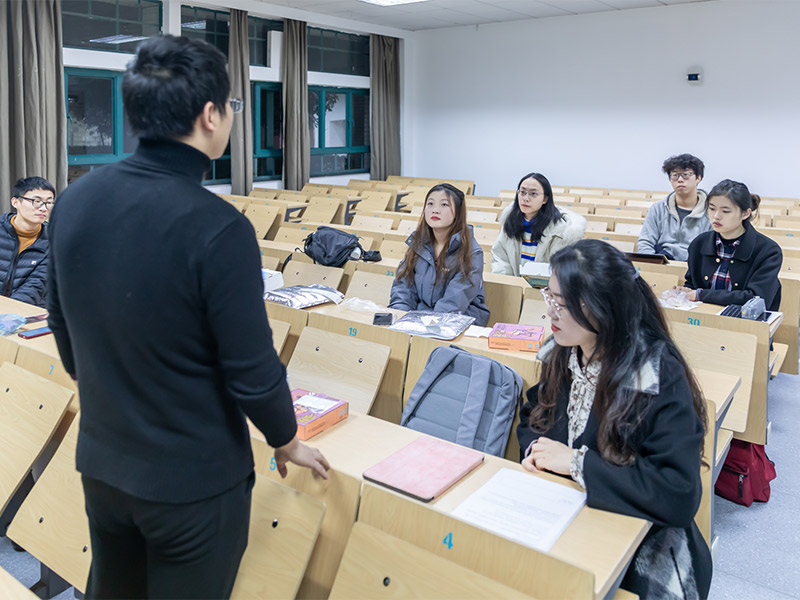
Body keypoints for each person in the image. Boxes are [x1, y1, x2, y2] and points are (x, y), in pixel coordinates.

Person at [47, 35, 329, 600]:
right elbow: (251, 369)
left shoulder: (76, 198)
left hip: (103, 464)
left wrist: (112, 387)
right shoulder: (218, 227)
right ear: (210, 116)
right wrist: (285, 438)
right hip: (191, 481)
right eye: (232, 104)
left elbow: (60, 319)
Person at [517, 239, 711, 599]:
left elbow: (678, 493)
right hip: (568, 511)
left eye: (563, 303)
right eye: (549, 297)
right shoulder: (563, 350)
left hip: (643, 536)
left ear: (603, 307)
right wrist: (536, 452)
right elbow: (533, 412)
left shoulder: (655, 373)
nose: (551, 313)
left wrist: (576, 463)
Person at [389, 183, 490, 326]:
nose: (435, 210)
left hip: (457, 321)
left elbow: (454, 303)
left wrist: (425, 325)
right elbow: (403, 287)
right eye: (430, 204)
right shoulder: (418, 243)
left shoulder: (472, 252)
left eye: (444, 205)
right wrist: (400, 316)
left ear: (458, 212)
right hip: (419, 320)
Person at [678, 179, 782, 311]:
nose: (716, 216)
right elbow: (692, 284)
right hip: (703, 317)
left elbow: (756, 299)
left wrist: (701, 295)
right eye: (712, 209)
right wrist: (685, 292)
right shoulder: (699, 244)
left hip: (746, 320)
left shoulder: (768, 251)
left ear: (746, 213)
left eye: (725, 211)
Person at [491, 172, 585, 275]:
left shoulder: (560, 231)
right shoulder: (510, 223)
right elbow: (500, 258)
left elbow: (559, 269)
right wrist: (508, 281)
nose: (525, 198)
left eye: (533, 194)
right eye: (522, 192)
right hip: (512, 283)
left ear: (545, 199)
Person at [638, 153, 710, 261]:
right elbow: (645, 243)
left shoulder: (711, 211)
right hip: (662, 263)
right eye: (675, 175)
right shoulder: (658, 208)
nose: (680, 180)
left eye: (686, 175)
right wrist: (654, 265)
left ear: (698, 178)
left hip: (695, 266)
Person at [1, 176, 55, 307]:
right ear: (15, 202)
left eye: (49, 202)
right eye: (36, 201)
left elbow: (36, 286)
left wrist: (8, 311)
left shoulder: (55, 239)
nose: (43, 208)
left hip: (28, 308)